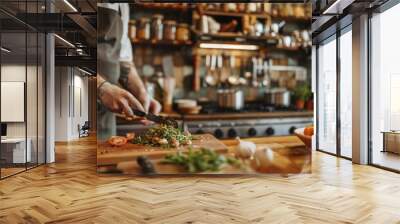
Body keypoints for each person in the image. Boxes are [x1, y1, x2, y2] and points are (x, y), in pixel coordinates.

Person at [97, 3, 161, 140]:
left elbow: (124, 61)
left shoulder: (123, 6)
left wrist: (142, 93)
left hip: (104, 122)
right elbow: (60, 50)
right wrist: (101, 87)